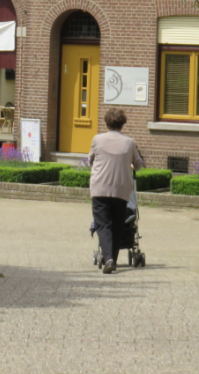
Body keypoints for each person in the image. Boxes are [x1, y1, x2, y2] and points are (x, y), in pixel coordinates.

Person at [88, 108, 144, 274]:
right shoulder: (130, 142)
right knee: (118, 224)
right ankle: (112, 258)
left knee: (103, 224)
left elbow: (90, 159)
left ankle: (109, 259)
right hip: (121, 189)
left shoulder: (97, 139)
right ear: (123, 123)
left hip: (100, 188)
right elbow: (139, 165)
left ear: (107, 123)